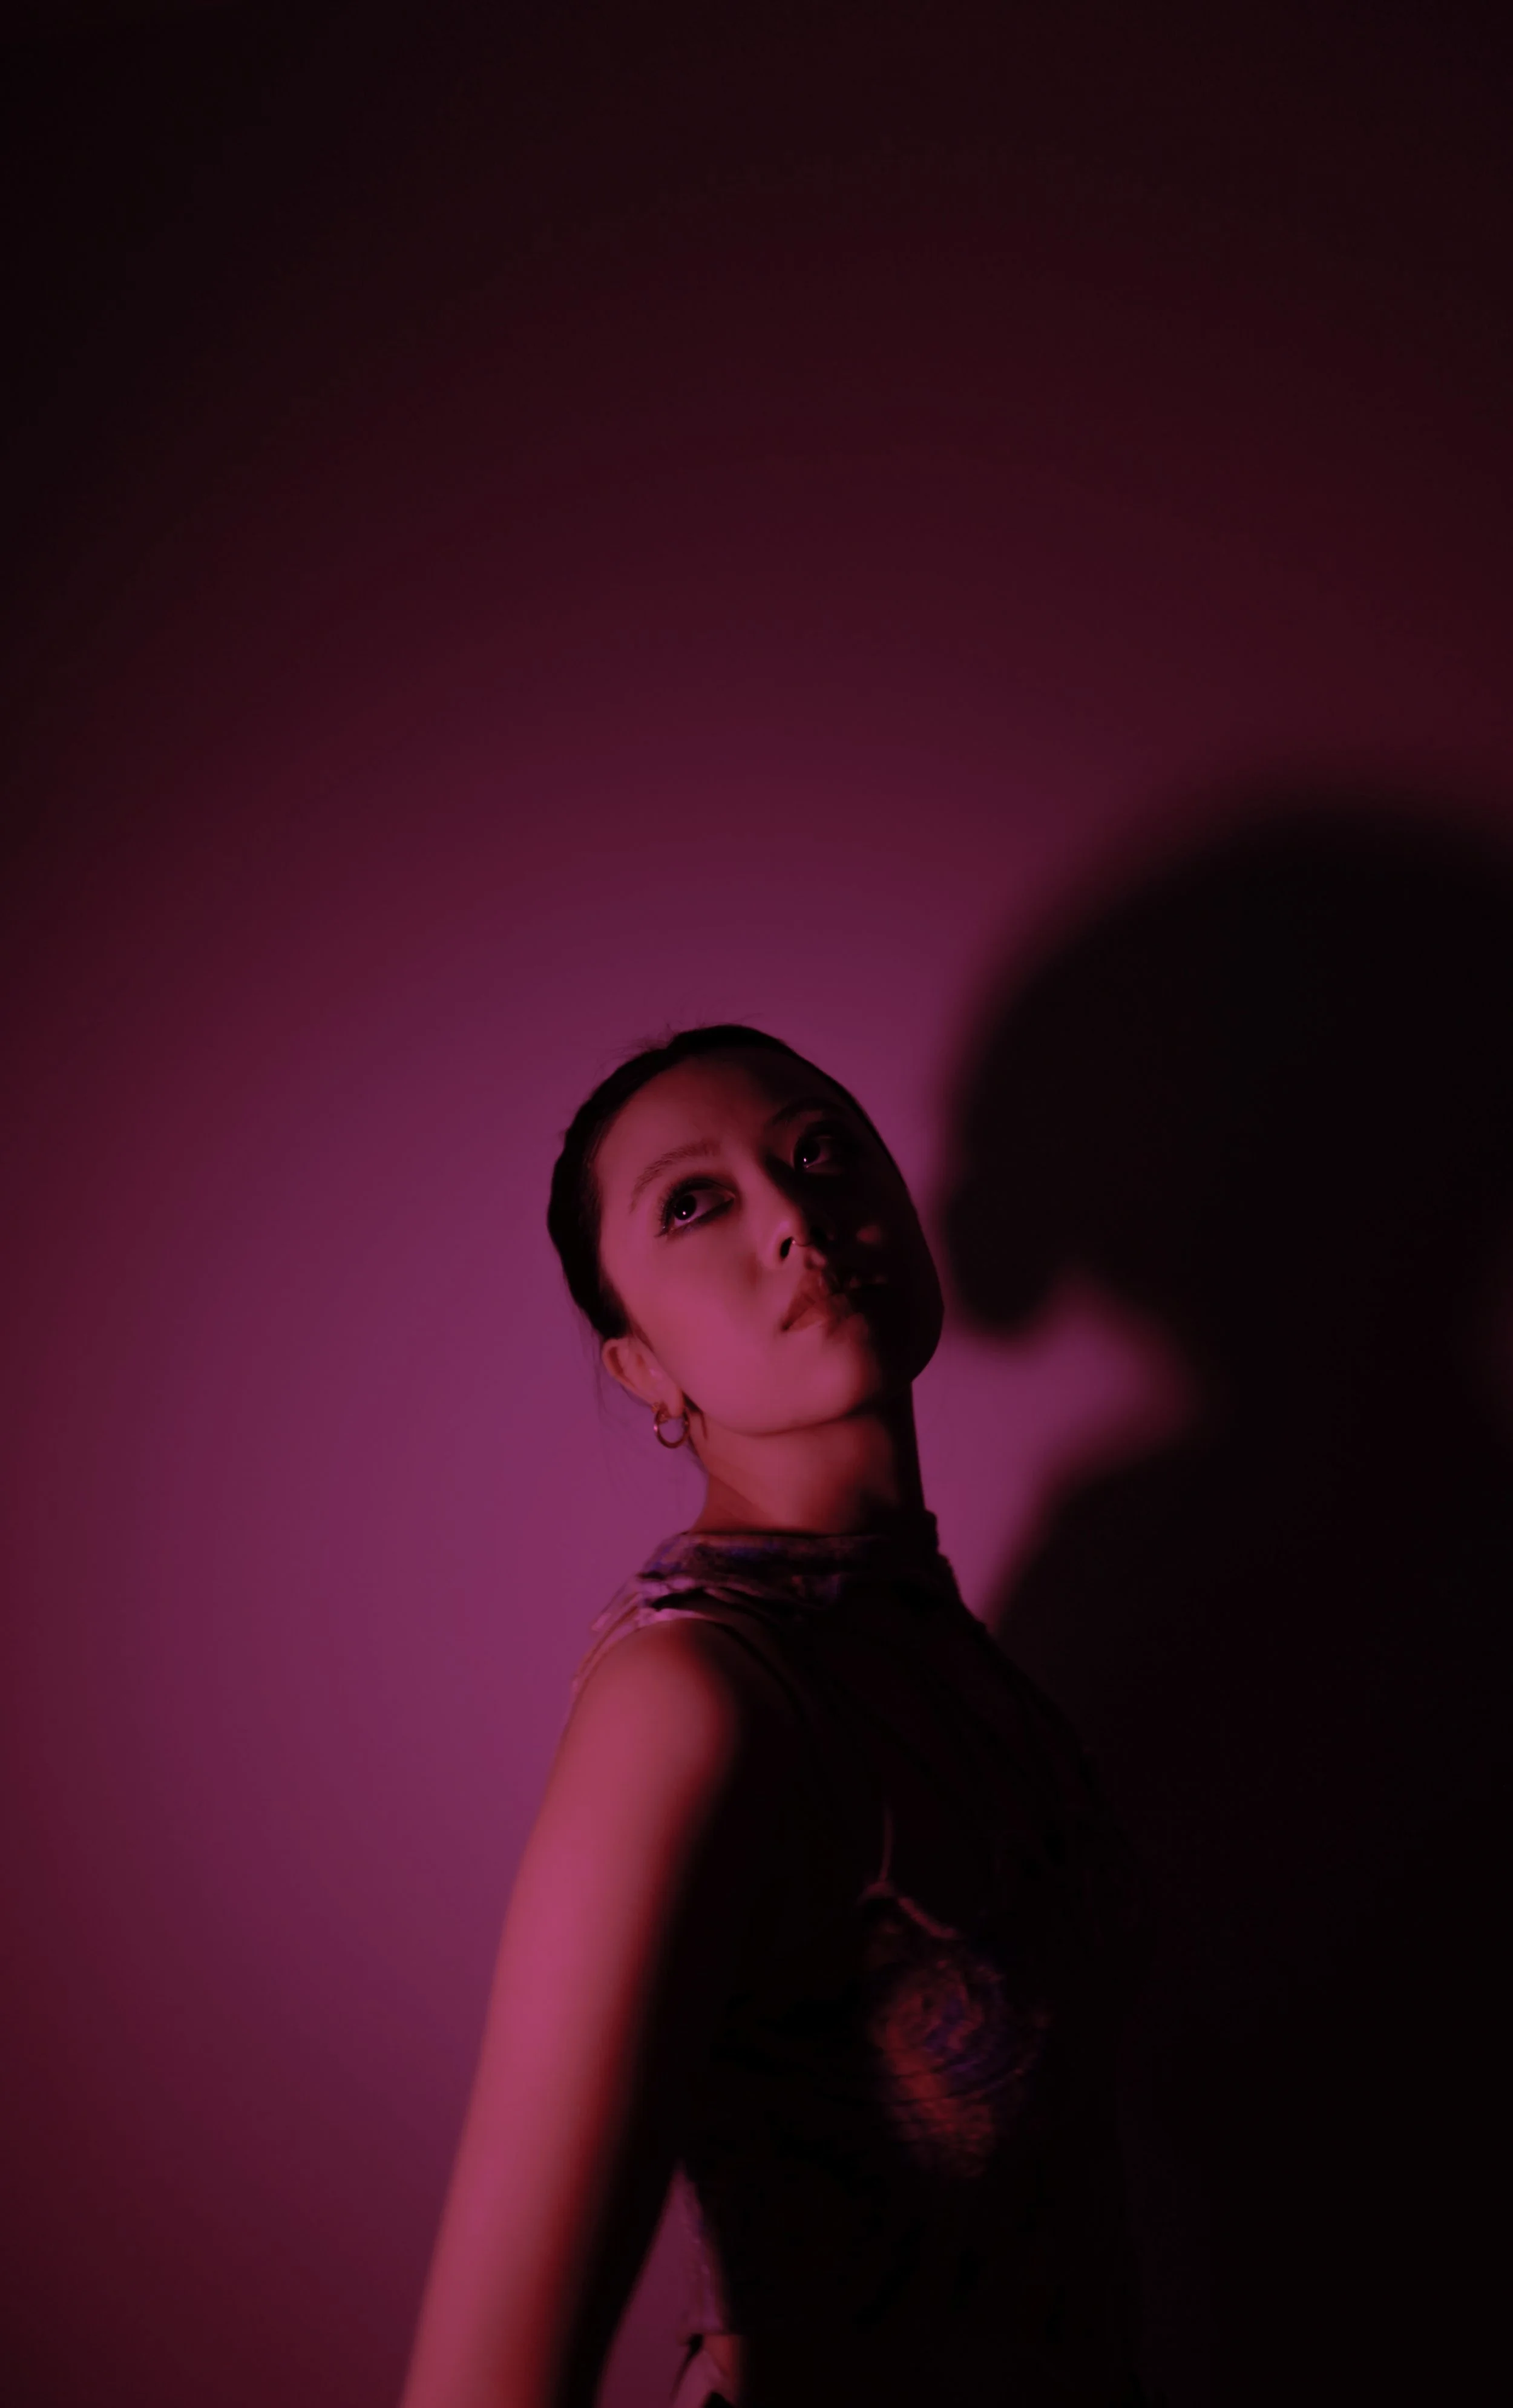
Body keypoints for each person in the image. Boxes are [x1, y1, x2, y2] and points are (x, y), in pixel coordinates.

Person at [398, 1024, 1149, 2408]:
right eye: (694, 1203)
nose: (796, 1217)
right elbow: (481, 2382)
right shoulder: (691, 1698)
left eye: (818, 1152)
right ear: (641, 1368)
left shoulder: (965, 1650)